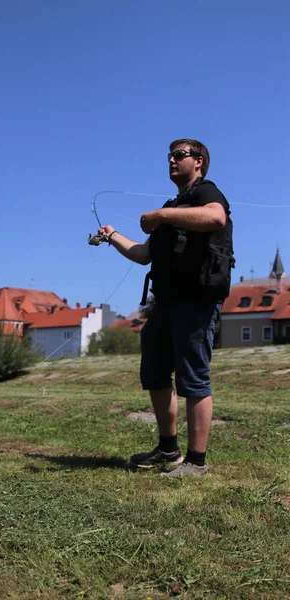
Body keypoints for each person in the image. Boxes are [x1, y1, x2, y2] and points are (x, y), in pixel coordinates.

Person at [99, 139, 234, 476]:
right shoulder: (173, 206)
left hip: (196, 301)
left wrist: (159, 215)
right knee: (155, 373)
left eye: (179, 155)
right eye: (169, 156)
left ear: (198, 161)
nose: (171, 160)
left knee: (194, 378)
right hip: (166, 303)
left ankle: (196, 462)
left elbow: (216, 218)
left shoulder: (206, 192)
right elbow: (143, 254)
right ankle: (168, 449)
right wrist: (113, 235)